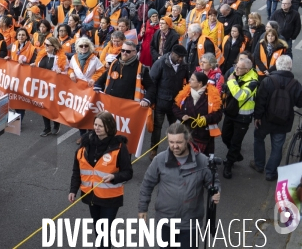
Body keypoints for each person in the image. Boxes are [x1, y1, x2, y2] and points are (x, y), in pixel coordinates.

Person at [138, 122, 220, 249]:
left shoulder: (202, 161)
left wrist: (215, 192)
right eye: (171, 142)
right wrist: (143, 208)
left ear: (187, 140)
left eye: (179, 142)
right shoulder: (159, 160)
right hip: (165, 222)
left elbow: (213, 182)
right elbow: (147, 184)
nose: (175, 146)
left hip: (190, 223)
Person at [69, 112, 133, 249]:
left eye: (101, 126)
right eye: (95, 125)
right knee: (99, 231)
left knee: (104, 231)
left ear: (109, 127)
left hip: (110, 199)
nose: (97, 128)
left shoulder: (120, 147)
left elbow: (128, 173)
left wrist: (115, 177)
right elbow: (77, 170)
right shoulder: (86, 143)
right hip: (92, 196)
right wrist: (73, 190)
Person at [251, 55, 302, 181]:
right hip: (283, 121)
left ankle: (259, 164)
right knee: (277, 146)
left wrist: (257, 116)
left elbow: (260, 101)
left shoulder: (268, 81)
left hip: (265, 119)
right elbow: (300, 103)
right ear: (290, 67)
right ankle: (271, 172)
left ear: (277, 65)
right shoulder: (295, 84)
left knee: (258, 138)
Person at [148, 45, 189, 160]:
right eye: (179, 56)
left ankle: (173, 150)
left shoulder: (184, 66)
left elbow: (187, 81)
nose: (180, 59)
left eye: (182, 57)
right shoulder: (160, 63)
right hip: (161, 102)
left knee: (174, 129)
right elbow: (152, 82)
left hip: (175, 104)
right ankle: (153, 150)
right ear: (172, 53)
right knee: (157, 128)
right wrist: (152, 100)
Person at [221, 58, 259, 179]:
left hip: (243, 117)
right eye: (235, 66)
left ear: (247, 70)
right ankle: (235, 154)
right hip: (231, 113)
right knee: (225, 136)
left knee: (235, 142)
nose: (235, 69)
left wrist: (232, 82)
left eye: (239, 68)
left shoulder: (253, 82)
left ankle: (229, 164)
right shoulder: (236, 74)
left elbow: (240, 95)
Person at [173, 72, 223, 156]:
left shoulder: (213, 96)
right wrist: (181, 116)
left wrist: (206, 118)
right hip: (185, 133)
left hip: (203, 135)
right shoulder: (185, 93)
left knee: (200, 160)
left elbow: (218, 114)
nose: (189, 80)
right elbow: (175, 107)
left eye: (192, 79)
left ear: (200, 83)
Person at [94, 40, 156, 106]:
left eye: (128, 51)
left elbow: (151, 87)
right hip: (109, 102)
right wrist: (97, 85)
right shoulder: (114, 63)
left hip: (126, 107)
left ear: (134, 52)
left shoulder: (141, 68)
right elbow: (106, 75)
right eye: (123, 50)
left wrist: (146, 99)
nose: (124, 53)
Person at [69, 37, 104, 144]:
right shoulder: (74, 58)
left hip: (90, 90)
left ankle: (91, 135)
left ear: (89, 47)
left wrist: (94, 79)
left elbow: (101, 71)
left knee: (89, 114)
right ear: (77, 48)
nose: (84, 48)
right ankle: (83, 136)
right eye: (81, 46)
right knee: (79, 114)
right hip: (78, 91)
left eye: (86, 45)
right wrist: (70, 73)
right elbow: (70, 68)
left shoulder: (94, 58)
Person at [32, 37, 68, 137]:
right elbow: (37, 65)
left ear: (54, 46)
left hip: (55, 87)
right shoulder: (42, 55)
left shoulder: (61, 58)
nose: (45, 47)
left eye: (47, 45)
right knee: (43, 107)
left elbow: (68, 71)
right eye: (45, 44)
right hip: (42, 86)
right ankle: (46, 128)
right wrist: (33, 65)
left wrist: (62, 72)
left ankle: (56, 124)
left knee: (53, 108)